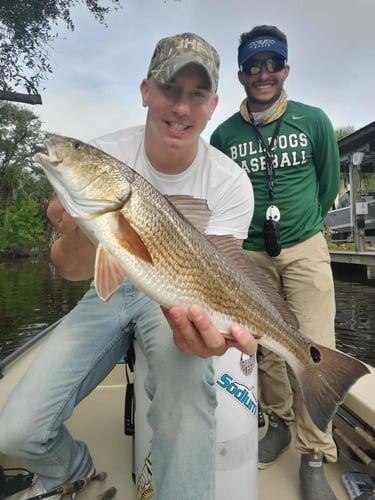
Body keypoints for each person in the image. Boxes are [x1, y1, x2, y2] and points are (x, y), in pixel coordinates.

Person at [0, 33, 257, 500]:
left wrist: (214, 330)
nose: (181, 107)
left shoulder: (231, 182)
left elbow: (224, 276)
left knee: (187, 404)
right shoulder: (106, 153)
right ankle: (74, 472)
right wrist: (77, 229)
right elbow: (71, 269)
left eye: (196, 95)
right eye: (169, 89)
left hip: (178, 295)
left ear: (213, 104)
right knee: (15, 430)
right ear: (145, 91)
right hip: (111, 289)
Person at [210, 25, 340, 500]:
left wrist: (306, 225)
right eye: (253, 65)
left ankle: (315, 453)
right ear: (242, 73)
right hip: (248, 254)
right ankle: (280, 424)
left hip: (304, 244)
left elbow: (328, 186)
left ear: (286, 68)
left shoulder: (314, 120)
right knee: (263, 346)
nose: (263, 73)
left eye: (272, 63)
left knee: (314, 349)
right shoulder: (224, 134)